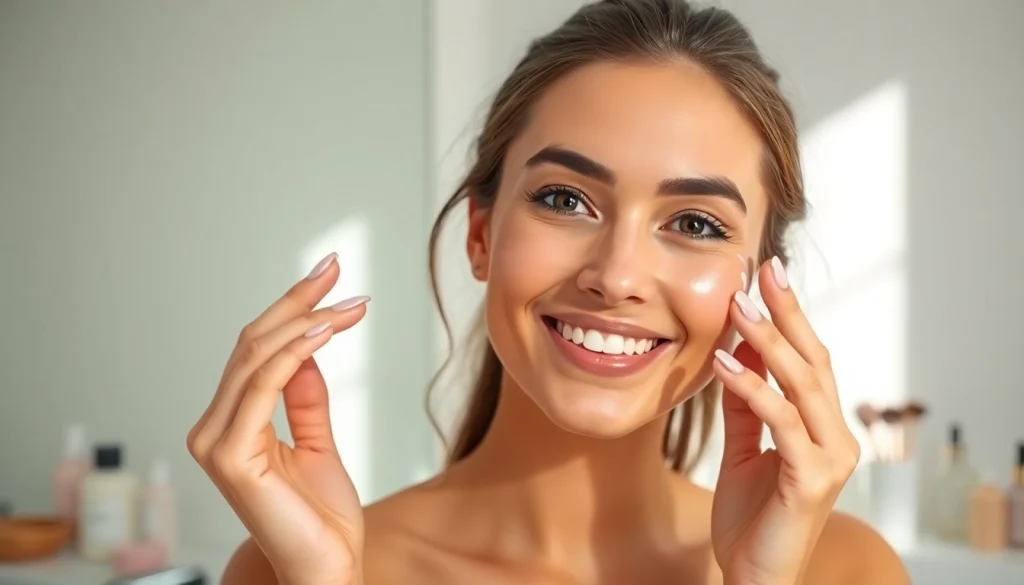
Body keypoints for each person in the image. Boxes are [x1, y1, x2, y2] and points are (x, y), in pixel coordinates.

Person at [187, 1, 911, 583]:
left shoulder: (847, 572)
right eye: (565, 200)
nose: (617, 276)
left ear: (761, 283)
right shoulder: (293, 566)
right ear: (480, 234)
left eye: (695, 223)